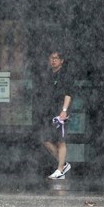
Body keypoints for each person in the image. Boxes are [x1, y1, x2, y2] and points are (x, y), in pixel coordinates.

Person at [36, 49, 74, 180]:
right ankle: (63, 164)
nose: (53, 60)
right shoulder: (48, 75)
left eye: (56, 58)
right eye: (52, 58)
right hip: (48, 111)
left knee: (60, 141)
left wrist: (64, 110)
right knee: (45, 139)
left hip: (60, 112)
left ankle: (59, 170)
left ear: (62, 61)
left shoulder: (65, 75)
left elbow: (68, 94)